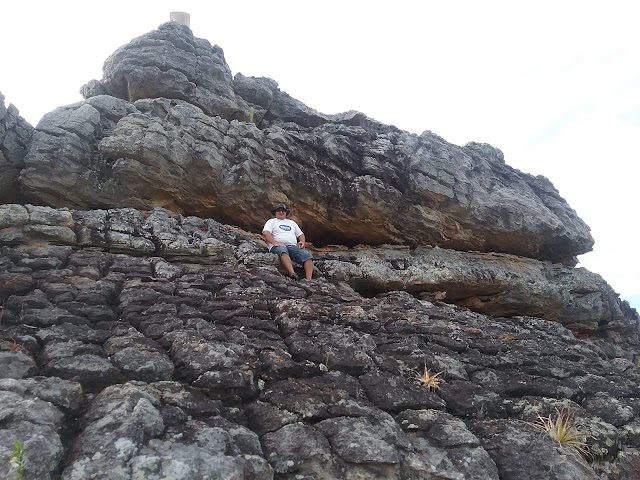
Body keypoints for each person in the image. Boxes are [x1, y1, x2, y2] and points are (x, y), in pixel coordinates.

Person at [262, 203, 313, 280]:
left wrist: (302, 242)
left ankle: (309, 280)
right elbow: (266, 233)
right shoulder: (271, 221)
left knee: (307, 256)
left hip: (292, 246)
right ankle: (292, 274)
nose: (281, 212)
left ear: (286, 212)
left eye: (283, 210)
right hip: (277, 246)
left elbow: (300, 234)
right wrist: (275, 243)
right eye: (278, 210)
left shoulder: (291, 223)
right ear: (275, 213)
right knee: (283, 250)